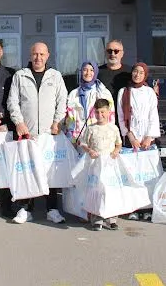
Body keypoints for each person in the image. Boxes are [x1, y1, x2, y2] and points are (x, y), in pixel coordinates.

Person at [8, 41, 68, 224]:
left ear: (48, 56)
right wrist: (19, 123)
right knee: (27, 171)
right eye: (35, 54)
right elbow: (13, 102)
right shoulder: (20, 76)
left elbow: (62, 101)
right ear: (30, 55)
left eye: (42, 54)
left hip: (49, 135)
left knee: (50, 173)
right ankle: (25, 209)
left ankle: (52, 209)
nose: (38, 58)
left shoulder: (55, 76)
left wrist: (57, 122)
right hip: (28, 134)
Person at [116, 62, 160, 220]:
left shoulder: (149, 92)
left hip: (147, 139)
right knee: (132, 175)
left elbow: (153, 115)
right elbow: (121, 117)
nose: (137, 75)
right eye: (135, 71)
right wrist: (130, 136)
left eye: (141, 72)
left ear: (145, 75)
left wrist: (149, 137)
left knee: (148, 175)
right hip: (131, 139)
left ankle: (147, 207)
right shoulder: (124, 92)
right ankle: (133, 207)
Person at [78, 98, 122, 231]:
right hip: (95, 165)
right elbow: (83, 143)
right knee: (96, 191)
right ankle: (97, 218)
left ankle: (111, 218)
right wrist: (89, 150)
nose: (100, 115)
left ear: (109, 112)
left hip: (109, 165)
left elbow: (118, 143)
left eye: (103, 112)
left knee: (109, 191)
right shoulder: (91, 128)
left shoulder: (113, 128)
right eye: (97, 112)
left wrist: (115, 151)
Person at [64, 61, 114, 145]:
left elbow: (110, 117)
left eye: (91, 70)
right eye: (85, 70)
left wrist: (108, 137)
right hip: (79, 141)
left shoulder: (103, 93)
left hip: (98, 140)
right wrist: (71, 138)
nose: (88, 73)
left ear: (96, 72)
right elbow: (69, 119)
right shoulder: (73, 94)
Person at [97, 40, 132, 104]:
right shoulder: (97, 72)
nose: (112, 54)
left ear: (122, 53)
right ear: (105, 53)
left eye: (116, 51)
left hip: (125, 112)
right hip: (104, 112)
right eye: (109, 51)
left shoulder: (130, 72)